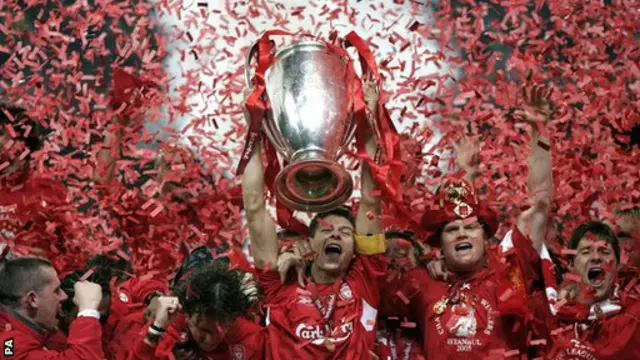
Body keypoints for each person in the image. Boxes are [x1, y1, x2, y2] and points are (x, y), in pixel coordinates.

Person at [380, 85, 555, 359]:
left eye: (470, 227)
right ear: (439, 244)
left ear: (485, 238)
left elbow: (540, 200)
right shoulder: (420, 282)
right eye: (452, 230)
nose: (462, 233)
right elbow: (369, 278)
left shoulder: (510, 270)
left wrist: (539, 129)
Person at [243, 75, 387, 359]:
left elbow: (371, 198)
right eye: (326, 231)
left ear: (356, 248)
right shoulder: (279, 286)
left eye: (345, 233)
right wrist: (253, 129)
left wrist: (369, 125)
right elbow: (254, 204)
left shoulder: (364, 280)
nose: (335, 235)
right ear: (310, 244)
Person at [111, 260, 265, 360]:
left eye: (221, 329)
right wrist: (155, 331)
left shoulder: (252, 338)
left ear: (232, 319)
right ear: (188, 316)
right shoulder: (167, 325)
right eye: (204, 330)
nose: (211, 339)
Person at [544, 221, 640, 360]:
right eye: (586, 251)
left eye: (605, 252)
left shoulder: (633, 319)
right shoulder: (552, 315)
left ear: (617, 265)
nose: (595, 257)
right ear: (571, 265)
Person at [0, 257, 104, 359]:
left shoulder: (40, 330)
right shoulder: (8, 343)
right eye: (57, 290)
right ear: (32, 300)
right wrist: (88, 310)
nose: (64, 296)